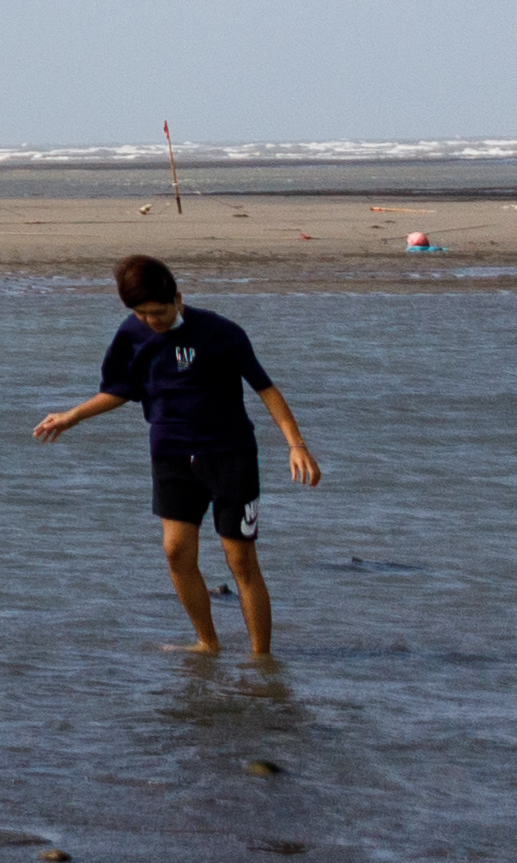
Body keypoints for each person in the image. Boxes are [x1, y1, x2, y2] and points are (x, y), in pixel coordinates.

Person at [28, 252, 317, 656]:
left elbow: (265, 389)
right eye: (142, 313)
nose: (152, 321)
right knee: (175, 551)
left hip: (229, 455)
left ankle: (260, 660)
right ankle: (208, 642)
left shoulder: (221, 332)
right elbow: (120, 390)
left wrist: (295, 445)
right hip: (171, 457)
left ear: (178, 298)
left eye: (159, 311)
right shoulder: (131, 336)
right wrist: (72, 416)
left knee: (240, 561)